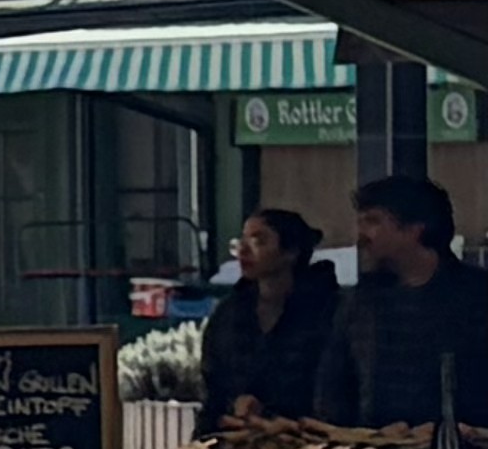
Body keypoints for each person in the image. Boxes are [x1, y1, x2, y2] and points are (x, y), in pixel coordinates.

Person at [328, 169, 488, 427]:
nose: (361, 236)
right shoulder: (361, 301)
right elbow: (336, 384)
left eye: (373, 221)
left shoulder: (476, 296)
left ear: (415, 229)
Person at [206, 207, 341, 431]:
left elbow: (331, 386)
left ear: (290, 252)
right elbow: (215, 382)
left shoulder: (327, 309)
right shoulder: (230, 312)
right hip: (237, 436)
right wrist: (234, 404)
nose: (244, 250)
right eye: (241, 242)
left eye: (259, 241)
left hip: (305, 437)